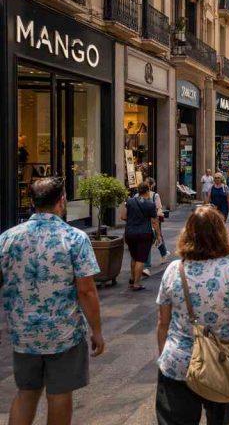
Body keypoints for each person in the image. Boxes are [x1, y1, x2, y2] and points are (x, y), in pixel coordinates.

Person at [0, 177, 105, 425]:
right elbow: (87, 290)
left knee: (26, 393)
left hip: (23, 332)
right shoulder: (74, 238)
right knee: (59, 394)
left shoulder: (8, 238)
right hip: (63, 333)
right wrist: (97, 331)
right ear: (62, 201)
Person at [156, 206, 229, 424]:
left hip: (179, 362)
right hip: (223, 362)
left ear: (187, 233)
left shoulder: (173, 270)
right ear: (221, 234)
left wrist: (165, 356)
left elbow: (163, 322)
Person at [122, 181, 161, 291]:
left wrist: (132, 220)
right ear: (148, 191)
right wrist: (158, 235)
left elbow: (123, 216)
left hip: (130, 233)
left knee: (134, 257)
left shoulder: (130, 201)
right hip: (144, 233)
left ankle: (132, 278)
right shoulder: (150, 204)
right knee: (141, 259)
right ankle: (136, 283)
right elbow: (154, 221)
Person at [143, 177, 169, 277]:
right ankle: (164, 252)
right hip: (144, 221)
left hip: (154, 220)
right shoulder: (138, 195)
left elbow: (159, 208)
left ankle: (146, 266)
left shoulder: (155, 195)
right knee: (154, 237)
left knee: (154, 237)